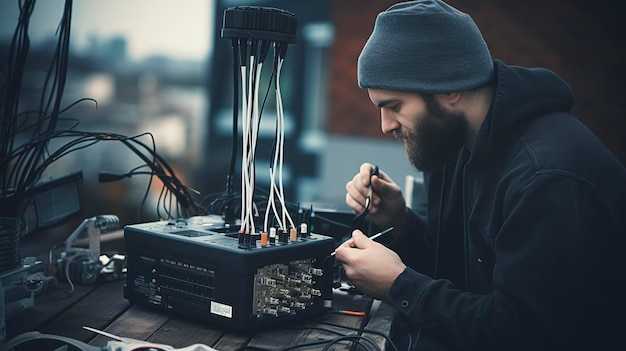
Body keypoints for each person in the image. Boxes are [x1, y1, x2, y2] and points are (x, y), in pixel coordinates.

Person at [333, 1, 626, 350]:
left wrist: (400, 285)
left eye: (394, 106)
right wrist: (401, 222)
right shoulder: (453, 143)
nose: (385, 126)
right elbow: (458, 275)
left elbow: (524, 333)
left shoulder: (548, 178)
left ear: (450, 88)